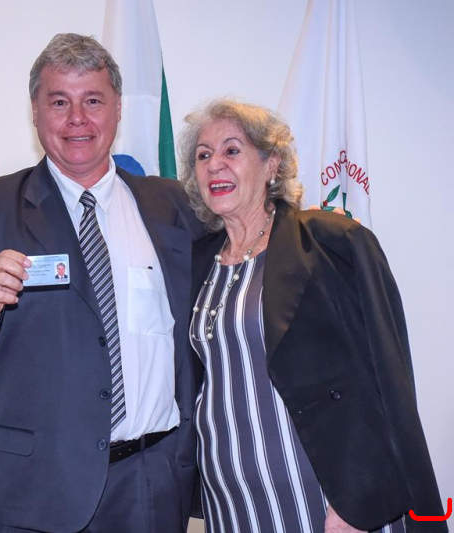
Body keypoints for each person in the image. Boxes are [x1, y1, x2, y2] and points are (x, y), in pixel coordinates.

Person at [0, 33, 204, 532]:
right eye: (59, 102)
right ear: (35, 112)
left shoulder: (174, 206)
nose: (78, 119)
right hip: (38, 490)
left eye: (93, 100)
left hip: (152, 484)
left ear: (117, 109)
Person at [181, 98, 447, 533]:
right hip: (231, 502)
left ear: (272, 163)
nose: (214, 165)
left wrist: (359, 499)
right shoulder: (196, 265)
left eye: (232, 150)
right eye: (203, 155)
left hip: (322, 499)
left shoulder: (330, 243)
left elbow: (386, 377)